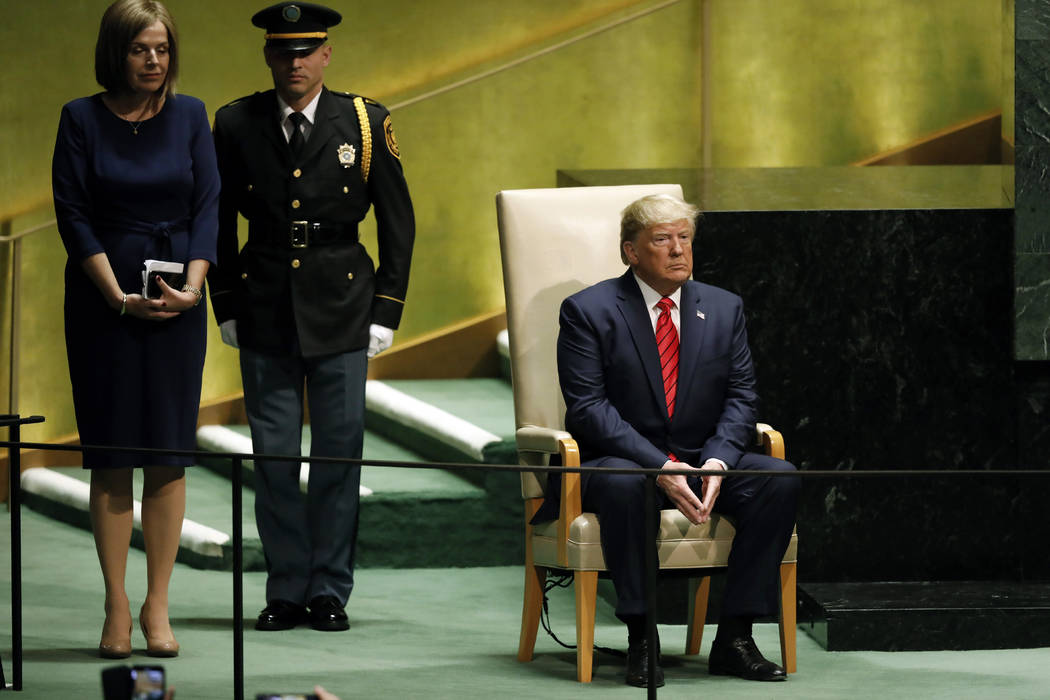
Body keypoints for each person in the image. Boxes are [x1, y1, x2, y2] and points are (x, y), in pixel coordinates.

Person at [207, 2, 415, 632]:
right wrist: (226, 303)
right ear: (268, 56)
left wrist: (387, 309)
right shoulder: (236, 122)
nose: (294, 62)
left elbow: (397, 221)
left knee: (338, 454)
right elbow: (216, 222)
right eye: (282, 51)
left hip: (343, 304)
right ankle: (285, 589)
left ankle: (328, 590)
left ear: (326, 55)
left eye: (306, 51)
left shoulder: (365, 121)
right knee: (272, 457)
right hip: (265, 302)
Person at [542, 194, 799, 686]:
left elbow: (743, 398)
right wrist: (660, 465)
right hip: (617, 461)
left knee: (777, 479)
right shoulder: (588, 311)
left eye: (685, 238)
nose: (678, 250)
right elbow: (589, 409)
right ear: (630, 252)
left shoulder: (724, 308)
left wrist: (720, 463)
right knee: (624, 483)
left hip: (704, 458)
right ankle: (643, 637)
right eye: (662, 240)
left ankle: (736, 637)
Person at [52, 0, 219, 659]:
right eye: (140, 50)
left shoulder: (190, 115)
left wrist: (196, 284)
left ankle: (158, 604)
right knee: (115, 453)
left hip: (179, 299)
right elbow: (73, 216)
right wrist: (116, 295)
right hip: (104, 305)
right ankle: (116, 605)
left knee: (169, 455)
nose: (154, 61)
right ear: (116, 54)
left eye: (163, 49)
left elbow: (208, 205)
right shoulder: (80, 117)